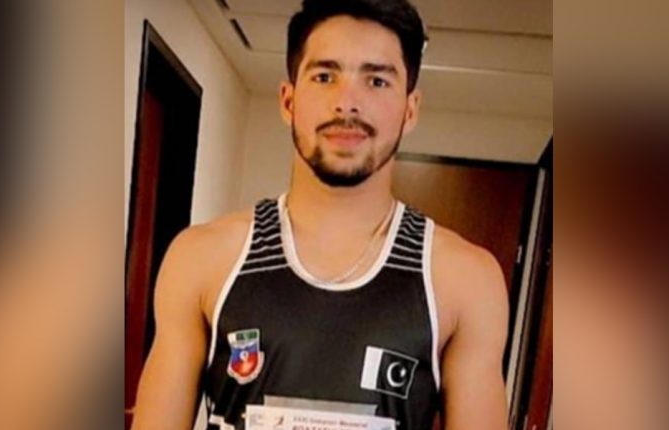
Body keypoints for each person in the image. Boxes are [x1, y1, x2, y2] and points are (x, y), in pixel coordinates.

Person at [131, 1, 509, 429]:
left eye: (377, 81)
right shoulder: (201, 258)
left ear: (410, 109)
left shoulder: (465, 280)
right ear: (288, 100)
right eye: (325, 76)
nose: (347, 103)